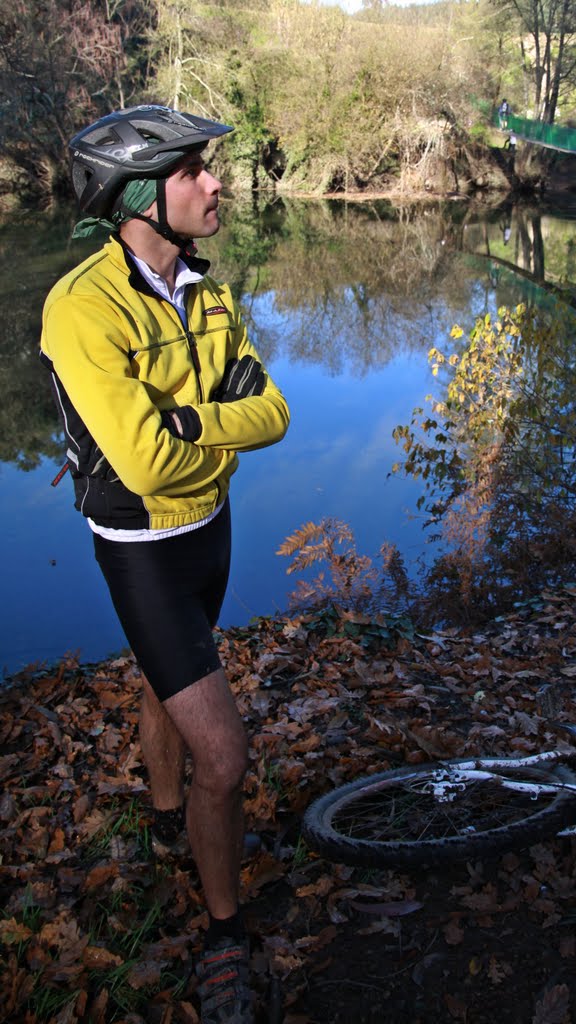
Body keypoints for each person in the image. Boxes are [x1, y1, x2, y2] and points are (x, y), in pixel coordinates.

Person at [40, 105, 291, 1024]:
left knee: (163, 685)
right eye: (194, 171)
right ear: (140, 195)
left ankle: (157, 813)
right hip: (143, 545)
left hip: (210, 528)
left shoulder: (210, 292)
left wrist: (196, 427)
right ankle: (224, 933)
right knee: (224, 758)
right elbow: (143, 463)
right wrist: (215, 431)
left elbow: (276, 413)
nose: (216, 182)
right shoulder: (81, 306)